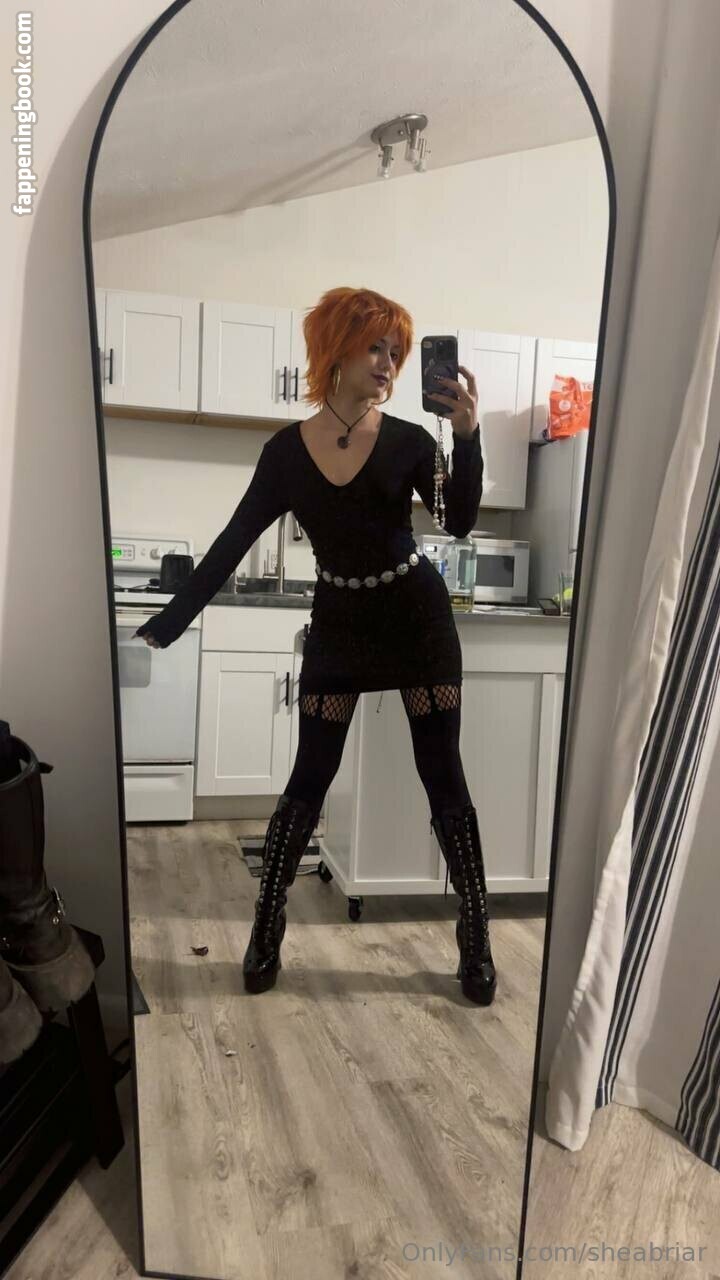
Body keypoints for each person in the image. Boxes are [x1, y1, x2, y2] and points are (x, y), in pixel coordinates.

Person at [134, 286, 496, 1005]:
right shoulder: (284, 455)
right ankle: (266, 927)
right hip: (340, 625)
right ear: (335, 350)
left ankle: (475, 936)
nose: (388, 363)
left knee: (443, 774)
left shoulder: (412, 442)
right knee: (309, 778)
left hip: (417, 621)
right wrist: (167, 622)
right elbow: (233, 541)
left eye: (395, 351)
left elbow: (456, 521)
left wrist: (468, 434)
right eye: (374, 348)